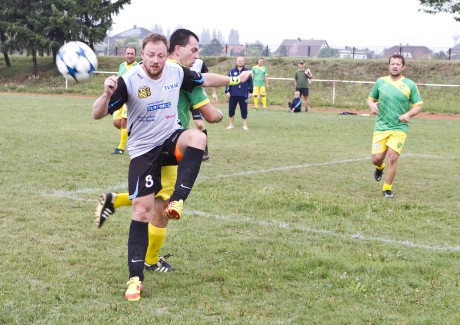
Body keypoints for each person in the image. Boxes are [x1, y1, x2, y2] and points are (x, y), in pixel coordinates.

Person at [92, 32, 251, 301]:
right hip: (143, 151)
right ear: (143, 55)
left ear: (168, 54)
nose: (156, 61)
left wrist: (234, 79)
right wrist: (106, 95)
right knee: (142, 211)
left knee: (198, 137)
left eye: (160, 55)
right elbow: (97, 113)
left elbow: (203, 78)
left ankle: (178, 200)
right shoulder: (128, 80)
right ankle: (135, 278)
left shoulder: (176, 71)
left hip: (170, 140)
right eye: (150, 55)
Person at [367, 54, 423, 199]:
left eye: (398, 64)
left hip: (399, 127)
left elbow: (418, 106)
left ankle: (387, 189)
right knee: (376, 159)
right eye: (392, 64)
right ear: (389, 65)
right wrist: (372, 104)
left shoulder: (410, 85)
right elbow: (370, 98)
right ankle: (379, 167)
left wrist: (408, 115)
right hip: (381, 126)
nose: (395, 66)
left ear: (403, 67)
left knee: (392, 157)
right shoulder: (380, 82)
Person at [190, 58, 217, 160]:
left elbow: (210, 78)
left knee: (200, 124)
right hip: (181, 97)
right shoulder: (177, 61)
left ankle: (204, 151)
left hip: (195, 98)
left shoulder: (200, 63)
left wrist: (214, 93)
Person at [112, 47, 138, 154]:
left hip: (130, 98)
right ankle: (134, 134)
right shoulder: (122, 65)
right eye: (128, 53)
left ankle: (120, 148)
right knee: (116, 122)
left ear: (135, 55)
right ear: (125, 54)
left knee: (124, 123)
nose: (130, 55)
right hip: (120, 98)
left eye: (132, 53)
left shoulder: (137, 67)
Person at [225, 56, 253, 130]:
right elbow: (228, 82)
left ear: (243, 62)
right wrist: (227, 91)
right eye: (238, 60)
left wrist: (250, 91)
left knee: (244, 109)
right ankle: (231, 124)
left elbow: (250, 82)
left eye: (241, 60)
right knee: (231, 109)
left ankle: (245, 125)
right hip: (233, 93)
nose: (240, 62)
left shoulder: (247, 71)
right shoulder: (231, 71)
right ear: (236, 61)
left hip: (243, 94)